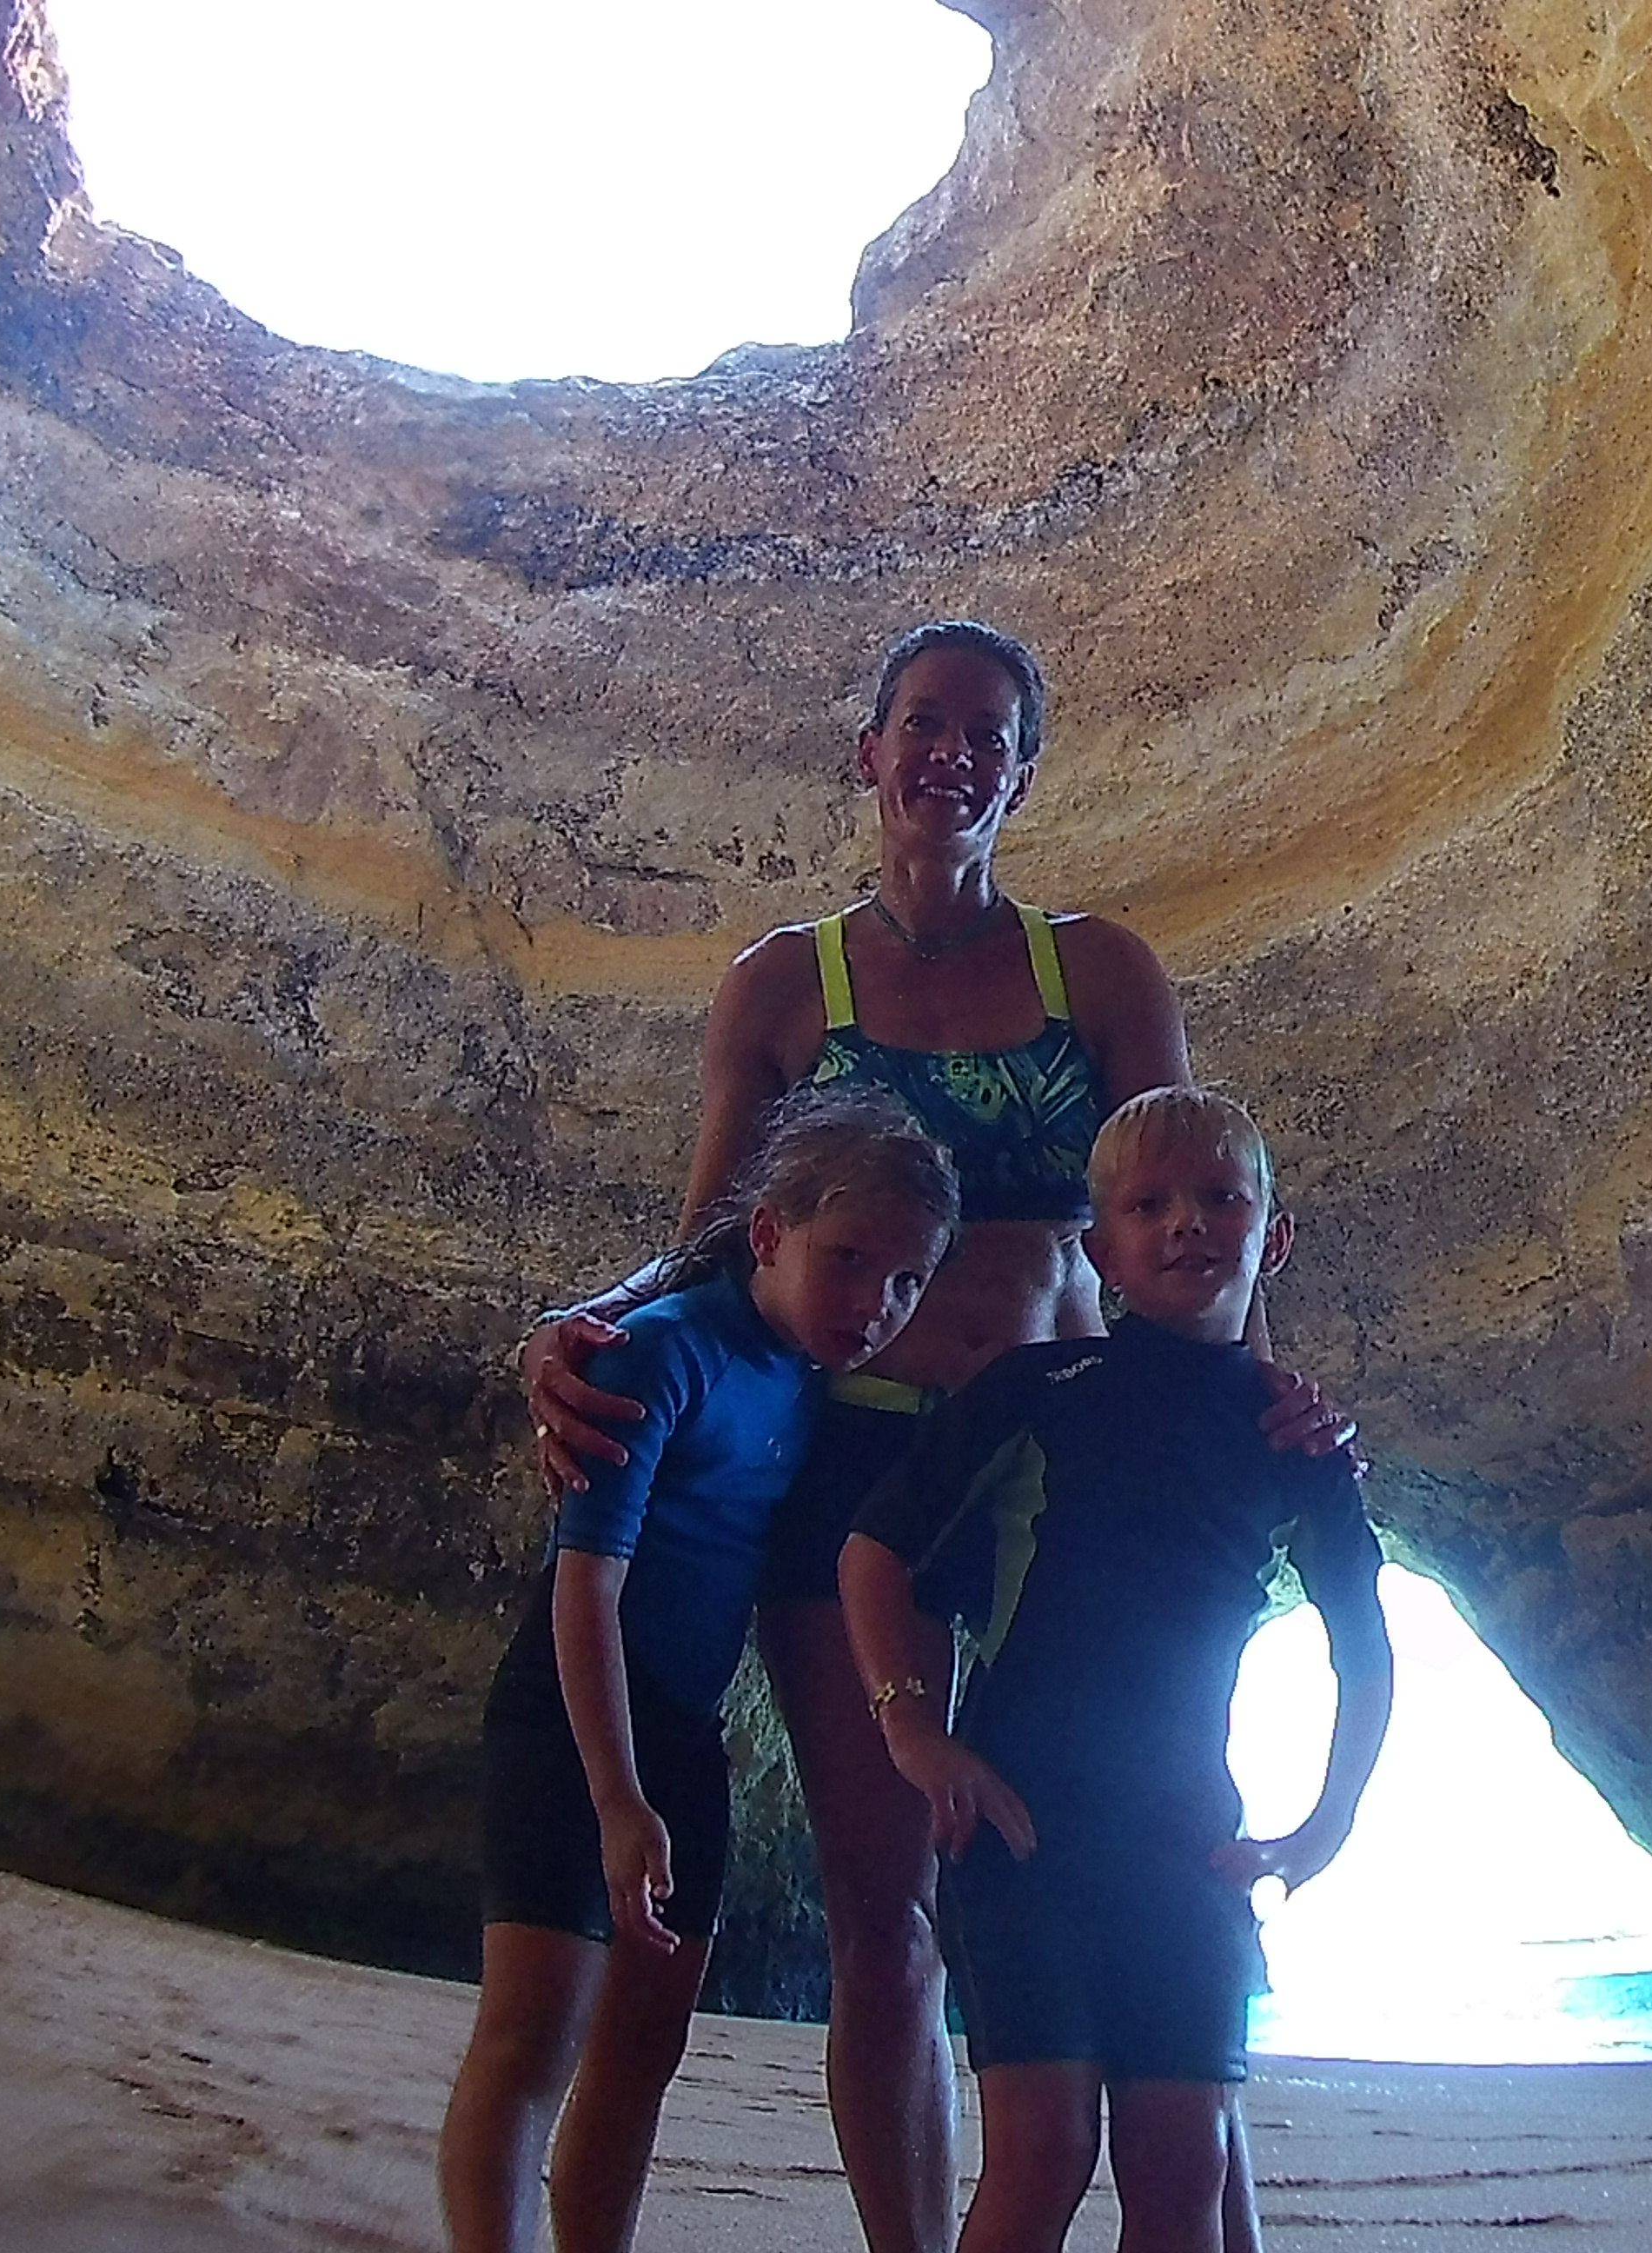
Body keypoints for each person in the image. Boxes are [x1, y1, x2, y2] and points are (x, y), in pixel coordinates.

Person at [515, 620, 1349, 2253]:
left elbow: (1184, 1224)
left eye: (988, 734)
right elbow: (713, 1242)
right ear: (872, 751)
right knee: (887, 1910)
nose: (953, 753)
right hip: (854, 1464)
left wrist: (1261, 1426)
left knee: (1156, 1845)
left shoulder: (1097, 973)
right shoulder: (783, 984)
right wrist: (571, 1324)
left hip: (1070, 1474)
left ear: (1022, 774)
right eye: (925, 723)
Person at [841, 1087, 1397, 2253]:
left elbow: (1363, 1643)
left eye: (1221, 1198)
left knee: (1184, 2165)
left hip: (1188, 1843)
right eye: (1149, 1207)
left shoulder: (1292, 1436)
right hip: (1021, 1832)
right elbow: (873, 1553)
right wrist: (913, 1732)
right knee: (1041, 2152)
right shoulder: (1035, 1392)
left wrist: (1326, 1823)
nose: (1186, 1223)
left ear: (1273, 1237)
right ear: (1100, 1251)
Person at [441, 1085, 960, 2253]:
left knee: (643, 2047)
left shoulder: (802, 1374)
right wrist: (617, 1795)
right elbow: (586, 1585)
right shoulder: (662, 1353)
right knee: (531, 2035)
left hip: (679, 1732)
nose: (874, 1303)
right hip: (573, 1721)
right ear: (770, 1232)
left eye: (905, 1282)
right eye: (848, 1261)